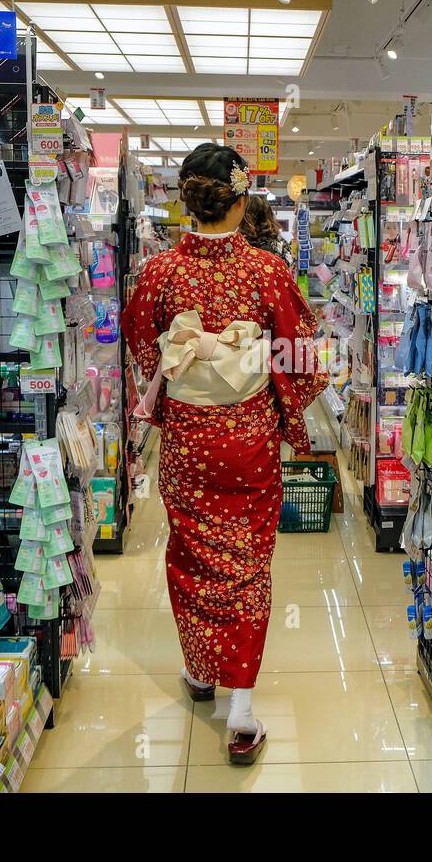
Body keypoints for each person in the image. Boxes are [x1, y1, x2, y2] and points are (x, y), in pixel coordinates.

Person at [124, 143, 326, 764]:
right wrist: (268, 385)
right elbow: (301, 356)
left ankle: (200, 672)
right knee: (245, 567)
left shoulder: (159, 272)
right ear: (240, 201)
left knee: (190, 555)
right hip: (248, 444)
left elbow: (142, 345)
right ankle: (239, 710)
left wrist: (185, 376)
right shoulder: (267, 271)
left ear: (188, 202)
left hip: (188, 442)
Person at [240, 194, 296, 274]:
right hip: (275, 285)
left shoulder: (238, 243)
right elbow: (289, 268)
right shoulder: (280, 244)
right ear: (269, 215)